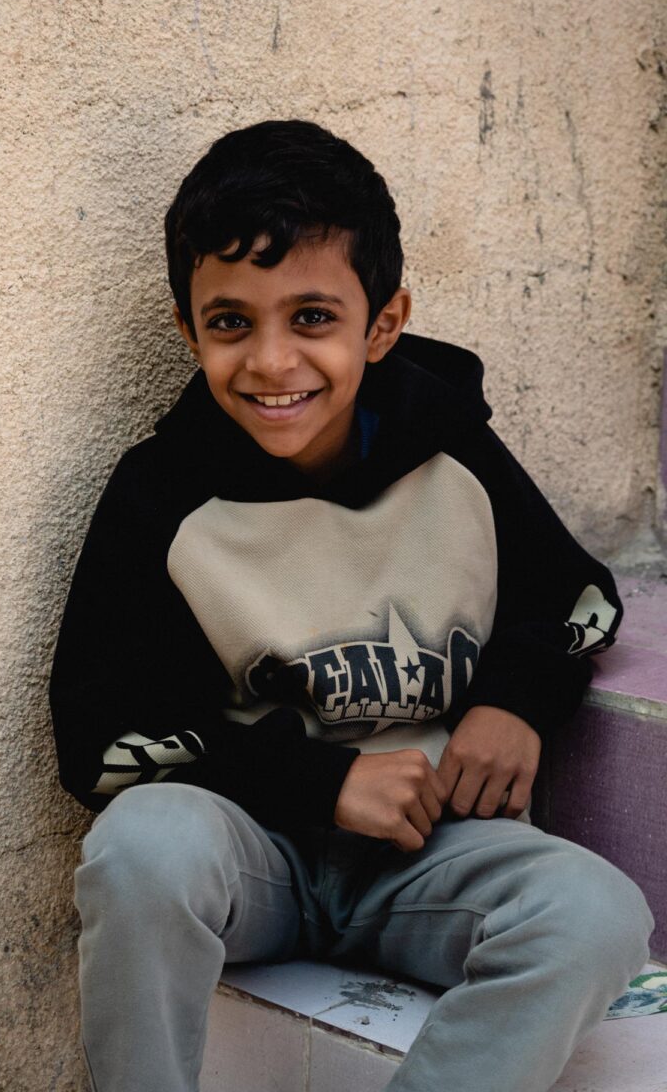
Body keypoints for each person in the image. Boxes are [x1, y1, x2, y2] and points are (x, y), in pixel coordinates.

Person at [50, 120, 653, 1092]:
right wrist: (317, 783)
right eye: (232, 321)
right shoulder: (162, 495)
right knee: (136, 849)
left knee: (599, 914)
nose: (272, 362)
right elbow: (101, 736)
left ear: (382, 323)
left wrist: (516, 699)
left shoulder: (450, 451)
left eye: (313, 318)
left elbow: (579, 598)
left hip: (433, 859)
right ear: (187, 327)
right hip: (256, 854)